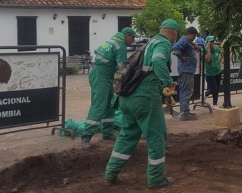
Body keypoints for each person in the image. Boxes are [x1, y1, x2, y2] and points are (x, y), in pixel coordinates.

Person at [104, 19, 179, 189]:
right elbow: (159, 61)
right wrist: (168, 83)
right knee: (157, 136)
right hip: (144, 97)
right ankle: (155, 179)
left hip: (127, 97)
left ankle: (111, 172)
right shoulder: (163, 43)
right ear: (174, 32)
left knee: (128, 134)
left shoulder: (150, 42)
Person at [80, 27, 138, 149]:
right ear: (127, 36)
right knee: (99, 105)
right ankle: (86, 136)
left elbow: (97, 51)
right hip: (101, 75)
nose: (133, 41)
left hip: (103, 74)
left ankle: (107, 133)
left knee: (109, 105)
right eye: (132, 38)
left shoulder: (111, 41)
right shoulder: (120, 45)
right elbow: (122, 67)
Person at [172, 26, 200, 121]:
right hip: (186, 70)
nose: (194, 38)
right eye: (193, 36)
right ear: (188, 34)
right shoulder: (184, 41)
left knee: (187, 90)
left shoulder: (186, 41)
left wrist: (193, 43)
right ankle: (184, 113)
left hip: (188, 70)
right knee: (186, 91)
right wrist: (182, 58)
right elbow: (175, 48)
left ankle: (185, 111)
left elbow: (186, 44)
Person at [203, 35, 223, 108]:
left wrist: (220, 59)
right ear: (207, 42)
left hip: (217, 71)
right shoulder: (204, 49)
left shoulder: (216, 49)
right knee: (214, 89)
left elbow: (221, 53)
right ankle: (205, 93)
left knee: (216, 89)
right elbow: (207, 60)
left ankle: (215, 104)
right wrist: (208, 48)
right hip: (210, 73)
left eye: (212, 41)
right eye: (210, 41)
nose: (212, 43)